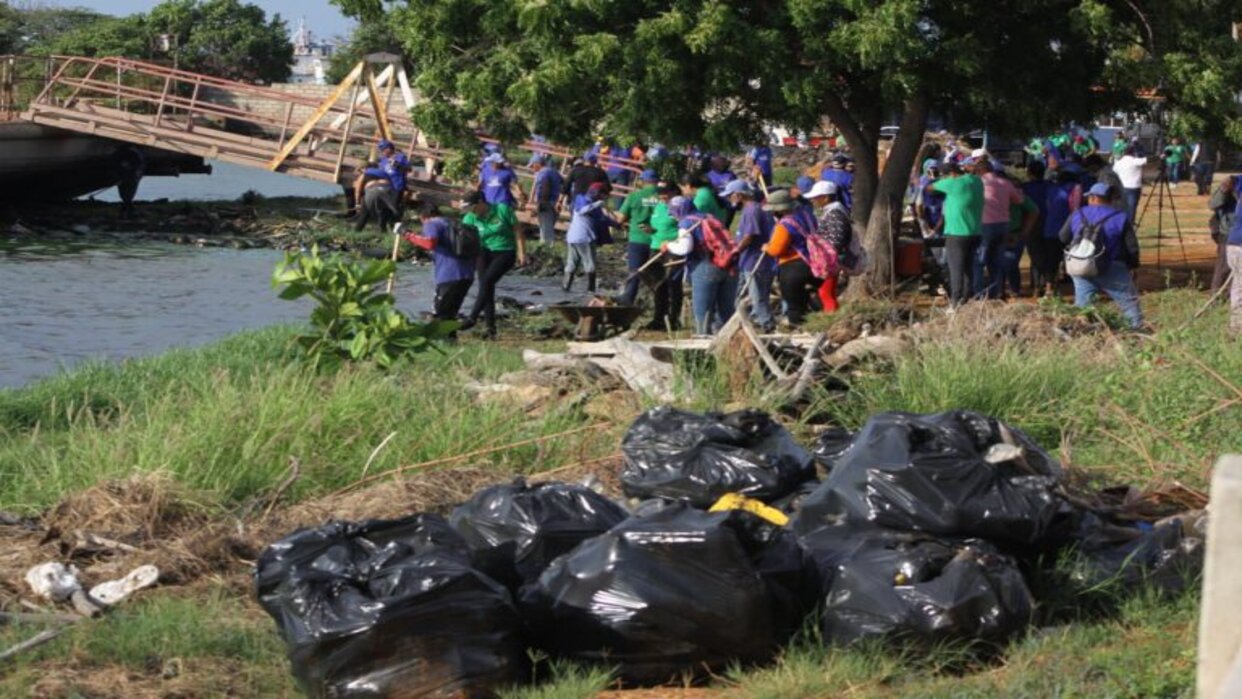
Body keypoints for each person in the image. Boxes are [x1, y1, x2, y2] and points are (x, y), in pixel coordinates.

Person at [1058, 183, 1143, 329]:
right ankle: (1137, 335)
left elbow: (1063, 237)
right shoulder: (1120, 217)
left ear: (1093, 198)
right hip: (1112, 267)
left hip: (1082, 266)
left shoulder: (1078, 213)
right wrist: (1133, 266)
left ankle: (1080, 335)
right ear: (1110, 199)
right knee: (1129, 305)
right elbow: (1132, 247)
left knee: (1082, 307)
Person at [664, 204, 737, 336]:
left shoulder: (687, 223)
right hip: (729, 265)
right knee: (727, 310)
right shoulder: (709, 217)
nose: (674, 217)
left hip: (705, 266)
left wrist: (668, 245)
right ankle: (730, 341)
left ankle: (702, 342)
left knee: (703, 310)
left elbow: (685, 248)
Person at [459, 191, 525, 338]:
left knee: (488, 281)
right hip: (483, 252)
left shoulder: (502, 209)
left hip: (505, 251)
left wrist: (522, 252)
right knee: (486, 286)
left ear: (481, 202)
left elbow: (517, 230)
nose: (471, 212)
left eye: (472, 208)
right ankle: (491, 329)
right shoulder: (469, 218)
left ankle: (472, 318)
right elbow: (466, 240)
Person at [401, 202, 476, 321]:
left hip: (449, 275)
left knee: (440, 316)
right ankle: (451, 338)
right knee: (451, 314)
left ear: (423, 216)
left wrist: (407, 235)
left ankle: (445, 339)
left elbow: (429, 243)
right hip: (467, 274)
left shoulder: (431, 223)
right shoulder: (452, 222)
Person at [927, 160, 984, 306]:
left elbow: (929, 188)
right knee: (968, 267)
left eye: (945, 176)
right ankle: (966, 297)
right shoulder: (977, 181)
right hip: (975, 232)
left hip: (957, 233)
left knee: (956, 268)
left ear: (951, 174)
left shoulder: (953, 183)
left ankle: (955, 301)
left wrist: (938, 179)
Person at [726, 179, 777, 331]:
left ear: (739, 195)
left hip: (755, 260)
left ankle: (767, 324)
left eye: (730, 195)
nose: (729, 198)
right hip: (747, 260)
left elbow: (749, 236)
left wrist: (735, 252)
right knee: (740, 295)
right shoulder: (753, 209)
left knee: (758, 296)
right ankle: (747, 323)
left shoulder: (752, 210)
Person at [762, 190, 819, 326]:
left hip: (792, 267)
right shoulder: (805, 216)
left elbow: (776, 250)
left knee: (794, 305)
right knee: (807, 299)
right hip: (810, 262)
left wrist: (766, 248)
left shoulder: (784, 225)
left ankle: (798, 329)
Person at [974, 156, 1023, 299]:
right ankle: (995, 293)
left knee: (979, 262)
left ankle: (979, 294)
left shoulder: (978, 184)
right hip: (1003, 225)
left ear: (980, 171)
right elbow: (1018, 200)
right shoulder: (1005, 183)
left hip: (985, 225)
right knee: (996, 261)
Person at [807, 180, 853, 313]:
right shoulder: (833, 211)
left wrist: (825, 255)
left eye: (816, 198)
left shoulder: (835, 213)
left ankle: (831, 317)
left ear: (826, 197)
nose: (813, 201)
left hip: (831, 260)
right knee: (827, 292)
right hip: (830, 258)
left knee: (825, 292)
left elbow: (836, 239)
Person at [617, 170, 662, 305]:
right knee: (658, 276)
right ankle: (659, 306)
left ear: (642, 181)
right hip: (658, 240)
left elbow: (620, 218)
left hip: (637, 239)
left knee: (634, 272)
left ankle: (628, 300)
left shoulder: (634, 196)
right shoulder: (662, 197)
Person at [564, 182, 617, 293]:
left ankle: (566, 288)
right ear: (598, 194)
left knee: (571, 264)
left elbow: (603, 219)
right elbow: (581, 211)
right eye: (604, 195)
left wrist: (617, 224)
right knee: (589, 264)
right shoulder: (583, 200)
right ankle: (590, 290)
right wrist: (599, 204)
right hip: (584, 238)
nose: (605, 198)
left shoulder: (590, 204)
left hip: (573, 237)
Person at [647, 187, 688, 331]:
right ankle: (658, 318)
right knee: (658, 284)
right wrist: (649, 230)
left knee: (673, 283)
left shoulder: (680, 207)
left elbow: (683, 230)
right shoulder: (658, 206)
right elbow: (655, 225)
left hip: (673, 249)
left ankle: (673, 319)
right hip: (656, 246)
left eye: (665, 195)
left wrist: (671, 244)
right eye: (660, 195)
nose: (662, 198)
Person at [1000, 189, 1040, 298]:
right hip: (995, 234)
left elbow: (1034, 210)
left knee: (1011, 263)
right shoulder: (986, 193)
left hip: (1014, 233)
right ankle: (999, 290)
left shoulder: (1016, 195)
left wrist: (1025, 231)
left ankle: (1014, 290)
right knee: (998, 263)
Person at [355, 139, 409, 212]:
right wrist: (367, 167)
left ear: (389, 149)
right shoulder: (383, 159)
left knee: (394, 207)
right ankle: (358, 203)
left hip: (396, 185)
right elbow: (381, 170)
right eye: (381, 150)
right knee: (363, 178)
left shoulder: (401, 157)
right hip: (385, 182)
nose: (381, 152)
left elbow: (409, 169)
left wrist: (397, 165)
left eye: (383, 149)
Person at [526, 153, 563, 245]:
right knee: (548, 227)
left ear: (537, 163)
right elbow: (563, 184)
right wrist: (559, 200)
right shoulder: (553, 171)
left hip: (545, 203)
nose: (532, 168)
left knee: (545, 230)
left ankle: (546, 248)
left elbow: (545, 188)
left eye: (532, 165)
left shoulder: (543, 173)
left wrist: (540, 204)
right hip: (553, 202)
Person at [1210, 175, 1237, 293]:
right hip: (1229, 233)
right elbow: (1213, 204)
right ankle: (1217, 298)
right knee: (1224, 268)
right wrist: (1225, 188)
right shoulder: (1234, 182)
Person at [1112, 145, 1147, 222]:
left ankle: (1122, 221)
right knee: (1132, 207)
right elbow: (1146, 160)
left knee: (1123, 205)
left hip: (1122, 186)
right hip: (1134, 187)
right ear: (1133, 153)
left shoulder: (1119, 162)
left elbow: (1114, 171)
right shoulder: (1135, 161)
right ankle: (1130, 222)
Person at [1227, 175, 1242, 334]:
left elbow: (1230, 179)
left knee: (1238, 287)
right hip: (1239, 247)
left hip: (1233, 245)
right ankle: (1237, 328)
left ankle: (1236, 327)